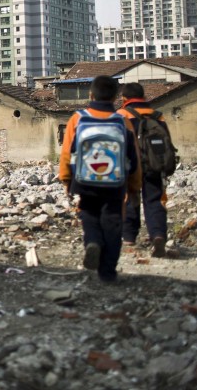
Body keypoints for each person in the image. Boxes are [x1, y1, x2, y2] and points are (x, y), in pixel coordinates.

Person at [58, 75, 141, 283]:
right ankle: (108, 272)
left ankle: (92, 242)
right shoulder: (123, 121)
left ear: (91, 95)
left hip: (85, 180)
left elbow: (67, 152)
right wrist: (134, 187)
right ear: (115, 97)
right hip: (115, 182)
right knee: (113, 223)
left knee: (89, 215)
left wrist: (66, 180)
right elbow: (134, 157)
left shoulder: (78, 118)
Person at [118, 82, 170, 257]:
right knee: (155, 200)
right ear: (144, 97)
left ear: (124, 98)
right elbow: (166, 145)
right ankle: (158, 235)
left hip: (130, 166)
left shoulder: (122, 115)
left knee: (129, 199)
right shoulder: (157, 116)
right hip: (154, 165)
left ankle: (129, 238)